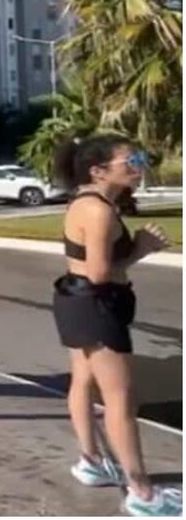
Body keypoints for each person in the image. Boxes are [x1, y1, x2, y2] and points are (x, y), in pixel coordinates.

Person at [51, 134, 178, 516]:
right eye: (131, 160)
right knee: (121, 397)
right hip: (96, 305)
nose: (139, 165)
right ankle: (142, 493)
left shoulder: (90, 202)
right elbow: (100, 273)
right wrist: (141, 248)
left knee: (84, 381)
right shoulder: (98, 210)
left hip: (77, 300)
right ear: (99, 170)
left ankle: (90, 461)